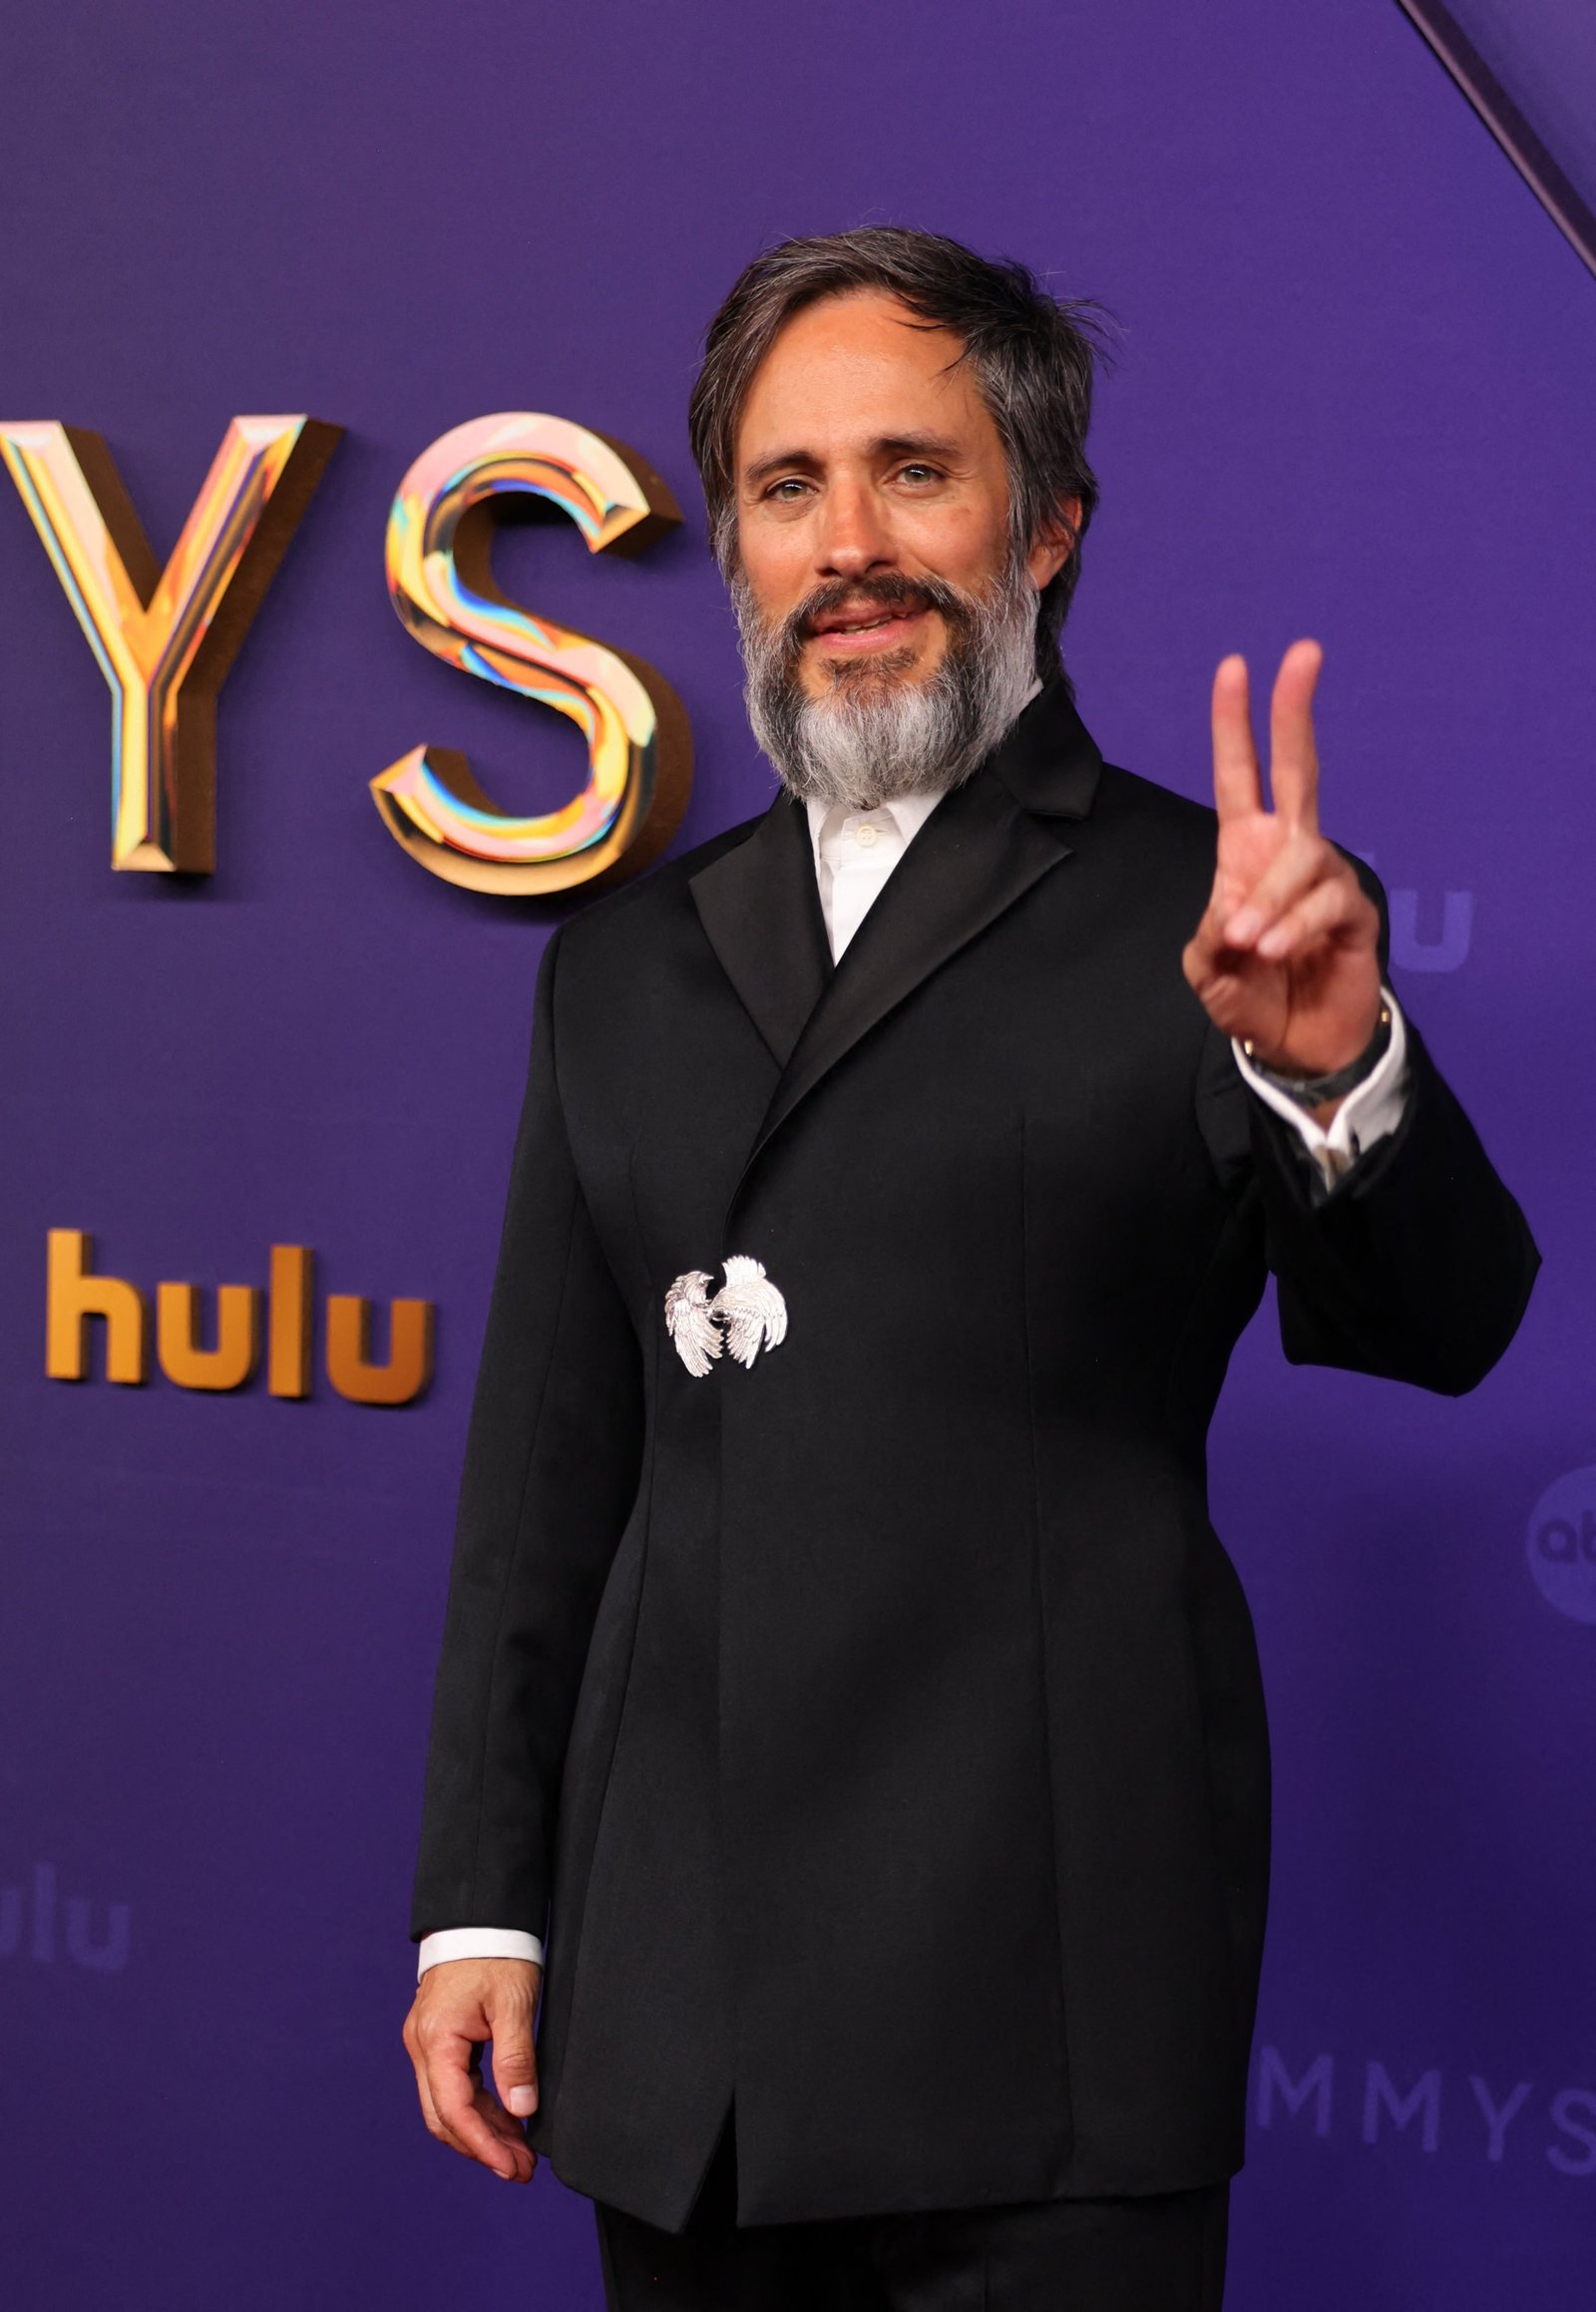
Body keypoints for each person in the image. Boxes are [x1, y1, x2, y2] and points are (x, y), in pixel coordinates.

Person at [402, 228, 1538, 2310]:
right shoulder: (622, 969)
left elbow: (1445, 1323)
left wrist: (1334, 1071)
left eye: (912, 471)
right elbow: (546, 1484)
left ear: (1049, 519)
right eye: (784, 485)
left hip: (1045, 2042)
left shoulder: (1221, 910)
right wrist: (482, 1910)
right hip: (686, 2034)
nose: (847, 543)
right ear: (734, 553)